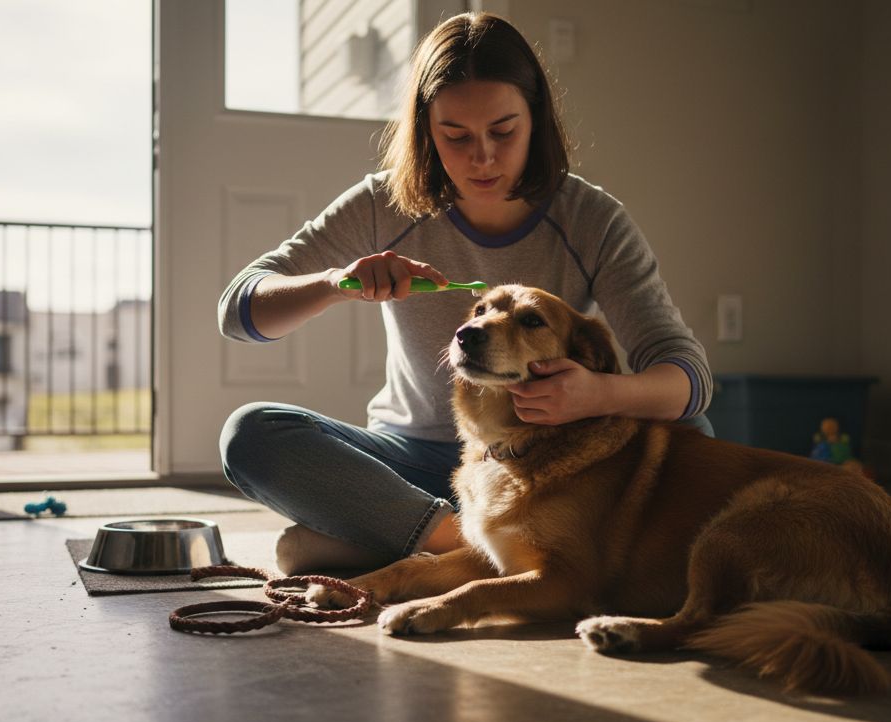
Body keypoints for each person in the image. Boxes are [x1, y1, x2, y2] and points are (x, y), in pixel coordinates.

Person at [218, 12, 713, 575]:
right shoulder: (383, 204)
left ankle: (399, 541)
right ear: (426, 131)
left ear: (536, 122)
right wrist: (337, 283)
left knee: (690, 436)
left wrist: (597, 395)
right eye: (456, 136)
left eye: (504, 132)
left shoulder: (592, 220)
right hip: (413, 463)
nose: (482, 158)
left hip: (543, 465)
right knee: (252, 434)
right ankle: (468, 546)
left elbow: (688, 381)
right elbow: (239, 309)